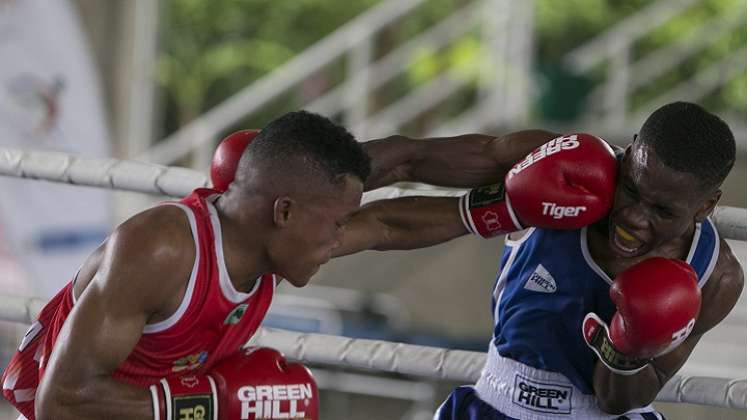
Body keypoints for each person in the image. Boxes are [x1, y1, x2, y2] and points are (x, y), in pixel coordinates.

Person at [0, 110, 470, 420]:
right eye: (337, 222)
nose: (340, 237)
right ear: (283, 211)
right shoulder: (160, 250)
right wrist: (209, 401)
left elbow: (389, 224)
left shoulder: (275, 245)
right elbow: (60, 402)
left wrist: (498, 210)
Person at [352, 101, 744, 419]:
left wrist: (627, 348)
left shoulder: (714, 277)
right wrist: (322, 180)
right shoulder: (562, 167)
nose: (633, 217)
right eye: (630, 189)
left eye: (662, 211)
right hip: (496, 405)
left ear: (706, 205)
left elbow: (618, 401)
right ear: (632, 149)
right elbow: (412, 159)